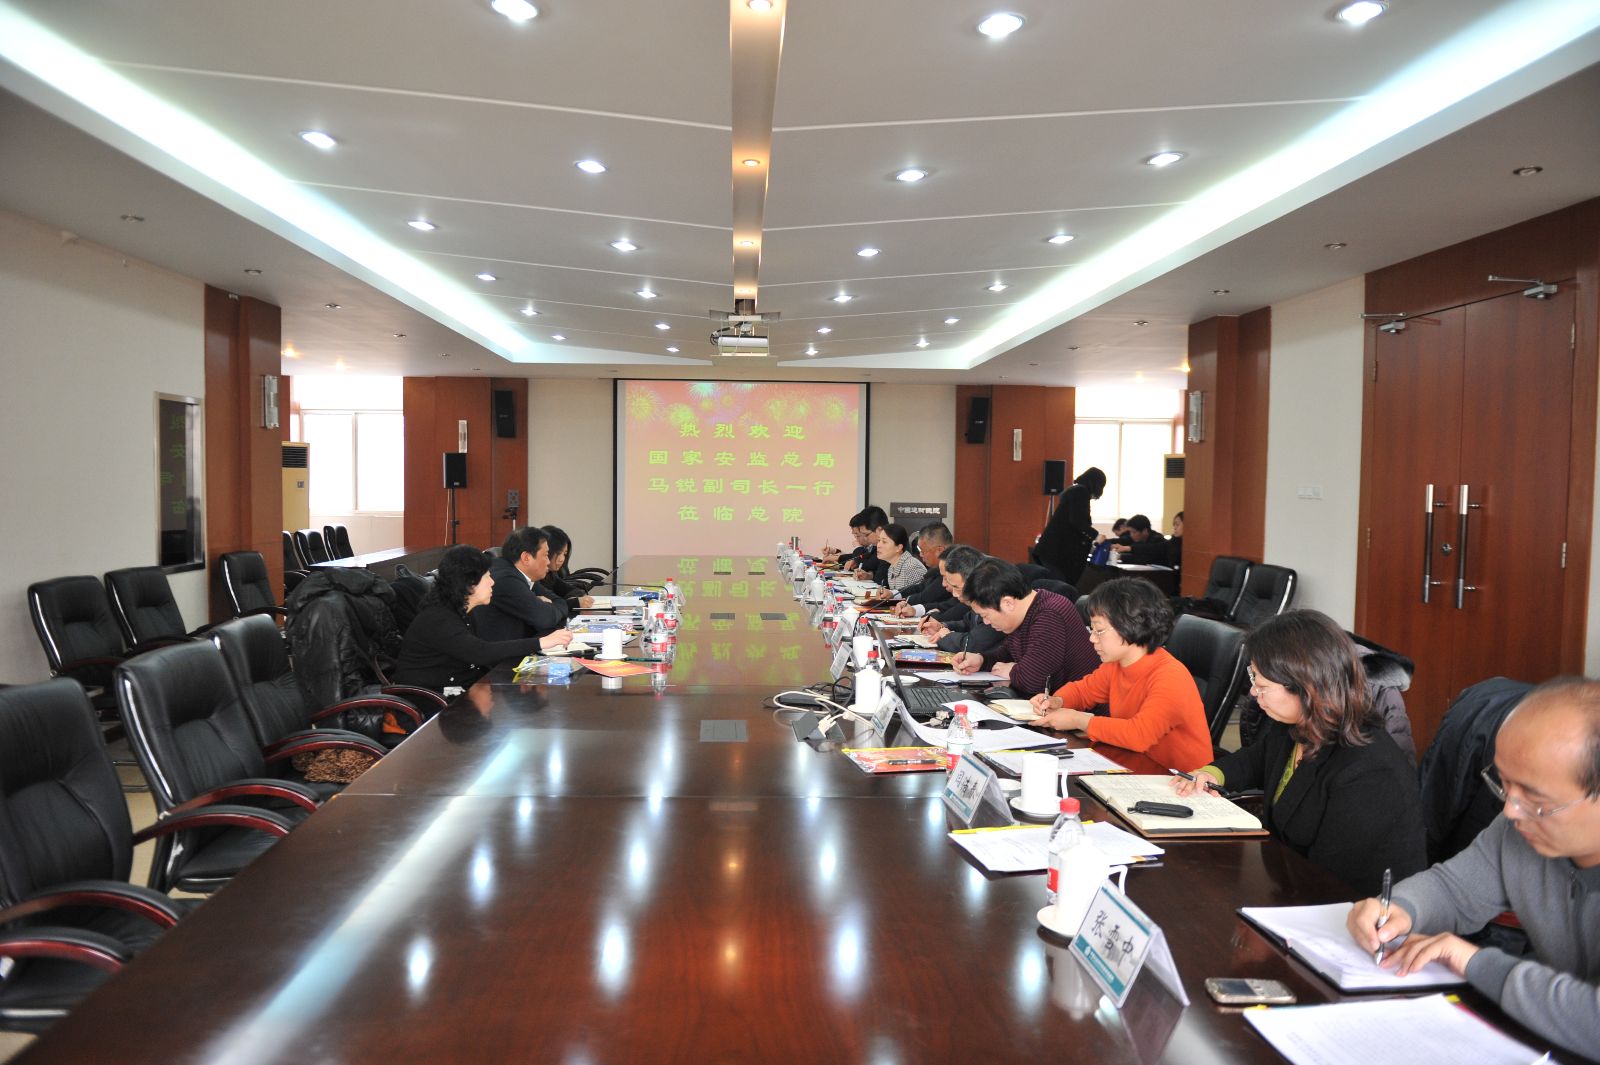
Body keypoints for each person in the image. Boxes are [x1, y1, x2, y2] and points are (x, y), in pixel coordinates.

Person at [1345, 677, 1600, 1055]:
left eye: (1535, 799)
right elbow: (1453, 889)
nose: (1510, 811)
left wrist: (1474, 962)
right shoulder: (1518, 832)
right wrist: (1399, 909)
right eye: (1504, 784)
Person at [1171, 610, 1425, 895]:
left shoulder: (1368, 772)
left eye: (1262, 685)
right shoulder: (1297, 725)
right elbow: (1257, 759)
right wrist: (1213, 773)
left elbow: (1328, 881)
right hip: (1289, 882)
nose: (1253, 692)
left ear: (1307, 688)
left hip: (1345, 906)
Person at [1030, 577, 1212, 771]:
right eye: (1092, 629)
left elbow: (1139, 736)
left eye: (1099, 630)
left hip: (1179, 777)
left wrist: (1079, 720)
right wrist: (1057, 701)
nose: (1092, 638)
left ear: (1131, 625)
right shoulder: (1117, 663)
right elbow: (1084, 691)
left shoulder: (1170, 677)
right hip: (1134, 764)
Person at [395, 545, 547, 693]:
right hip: (431, 696)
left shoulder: (463, 610)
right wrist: (541, 642)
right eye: (487, 576)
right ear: (469, 584)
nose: (492, 582)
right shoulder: (438, 618)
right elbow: (481, 652)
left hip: (459, 686)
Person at [951, 558, 1097, 697]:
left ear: (1008, 603)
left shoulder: (1050, 614)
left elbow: (1033, 680)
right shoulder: (1026, 610)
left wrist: (1013, 670)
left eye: (985, 615)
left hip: (1081, 710)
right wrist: (981, 660)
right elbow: (1008, 653)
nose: (986, 622)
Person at [471, 527, 575, 650]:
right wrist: (546, 605)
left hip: (517, 646)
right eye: (546, 555)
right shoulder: (506, 579)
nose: (548, 561)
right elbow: (546, 618)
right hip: (500, 656)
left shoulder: (521, 574)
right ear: (526, 558)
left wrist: (546, 605)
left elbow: (560, 601)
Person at [1033, 467, 1106, 583]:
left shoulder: (1073, 491)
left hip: (1051, 551)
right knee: (1059, 588)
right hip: (1058, 553)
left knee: (1051, 586)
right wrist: (1096, 536)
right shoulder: (1081, 493)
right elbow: (1078, 521)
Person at [893, 522, 954, 617]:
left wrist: (905, 603)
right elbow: (920, 587)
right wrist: (893, 594)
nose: (921, 555)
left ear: (940, 550)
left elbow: (926, 597)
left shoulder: (953, 568)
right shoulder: (935, 569)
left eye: (923, 550)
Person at [541, 525, 596, 609]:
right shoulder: (534, 578)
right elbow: (548, 606)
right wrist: (573, 602)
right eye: (558, 553)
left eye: (564, 554)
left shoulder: (550, 575)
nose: (562, 559)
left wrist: (572, 599)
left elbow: (574, 591)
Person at [874, 523, 927, 593]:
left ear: (899, 547)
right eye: (879, 541)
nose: (878, 545)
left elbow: (919, 596)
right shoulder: (892, 568)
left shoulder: (911, 567)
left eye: (884, 542)